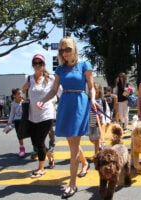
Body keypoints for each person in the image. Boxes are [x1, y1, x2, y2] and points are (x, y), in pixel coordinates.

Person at [37, 36, 95, 199]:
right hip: (65, 105)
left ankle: (72, 184)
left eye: (67, 49)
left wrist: (93, 100)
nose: (64, 53)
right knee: (72, 142)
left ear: (74, 49)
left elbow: (91, 87)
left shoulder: (85, 65)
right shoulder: (60, 69)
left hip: (79, 103)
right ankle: (84, 163)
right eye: (61, 50)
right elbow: (54, 90)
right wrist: (43, 100)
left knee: (74, 146)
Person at [22, 54, 56, 178]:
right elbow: (24, 97)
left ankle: (41, 168)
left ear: (44, 65)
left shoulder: (51, 78)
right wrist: (23, 89)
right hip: (32, 115)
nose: (37, 65)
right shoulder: (29, 79)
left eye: (39, 63)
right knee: (36, 142)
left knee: (40, 141)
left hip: (46, 114)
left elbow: (60, 91)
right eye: (35, 63)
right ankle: (50, 156)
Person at [89, 83, 109, 154]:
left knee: (97, 139)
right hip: (90, 123)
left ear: (99, 91)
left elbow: (106, 111)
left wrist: (106, 121)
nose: (95, 94)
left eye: (97, 92)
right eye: (94, 92)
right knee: (91, 139)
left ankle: (96, 154)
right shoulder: (88, 100)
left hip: (99, 123)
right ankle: (100, 146)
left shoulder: (102, 100)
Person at [6, 88, 25, 157]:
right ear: (14, 95)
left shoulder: (24, 102)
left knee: (31, 134)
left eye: (21, 93)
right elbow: (12, 113)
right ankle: (22, 149)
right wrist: (9, 122)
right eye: (18, 93)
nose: (20, 95)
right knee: (20, 136)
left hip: (25, 121)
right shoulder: (13, 104)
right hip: (17, 121)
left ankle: (35, 148)